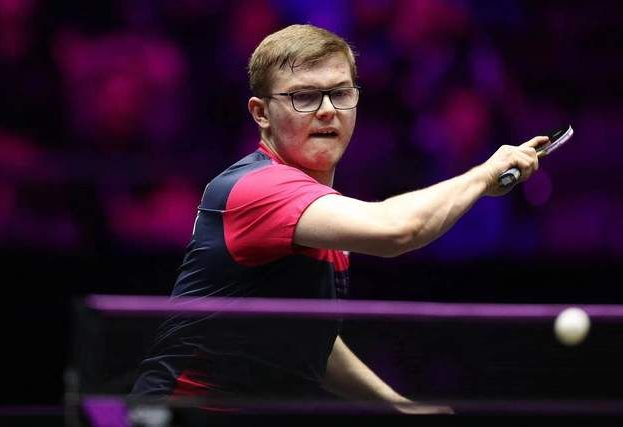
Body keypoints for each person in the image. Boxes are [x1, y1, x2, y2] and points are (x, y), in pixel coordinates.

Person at [131, 24, 545, 413]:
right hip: (172, 415)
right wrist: (482, 175)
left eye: (340, 93)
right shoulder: (257, 189)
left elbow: (312, 340)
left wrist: (398, 406)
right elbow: (398, 230)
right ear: (261, 113)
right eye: (304, 97)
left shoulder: (320, 211)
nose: (328, 110)